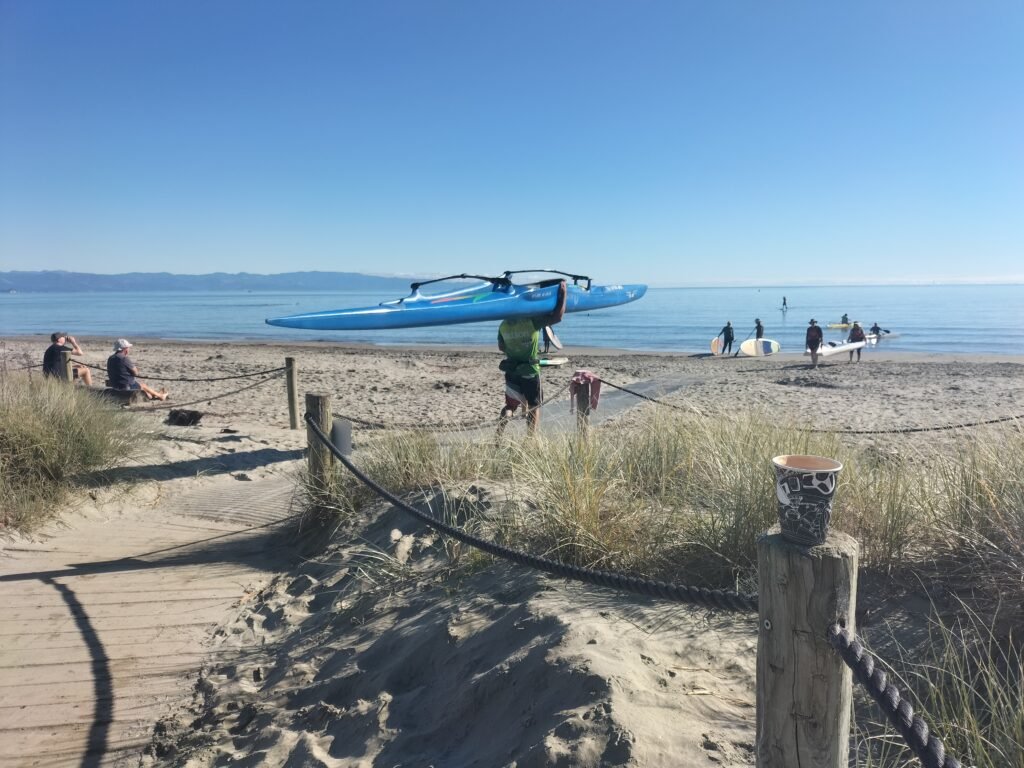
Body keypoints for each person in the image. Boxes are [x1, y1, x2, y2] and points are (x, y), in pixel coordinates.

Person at [498, 281, 567, 434]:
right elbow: (557, 317)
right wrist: (563, 294)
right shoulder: (531, 321)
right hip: (530, 371)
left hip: (512, 370)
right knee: (534, 405)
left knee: (510, 406)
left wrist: (515, 346)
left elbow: (501, 347)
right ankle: (531, 438)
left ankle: (499, 434)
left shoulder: (503, 324)